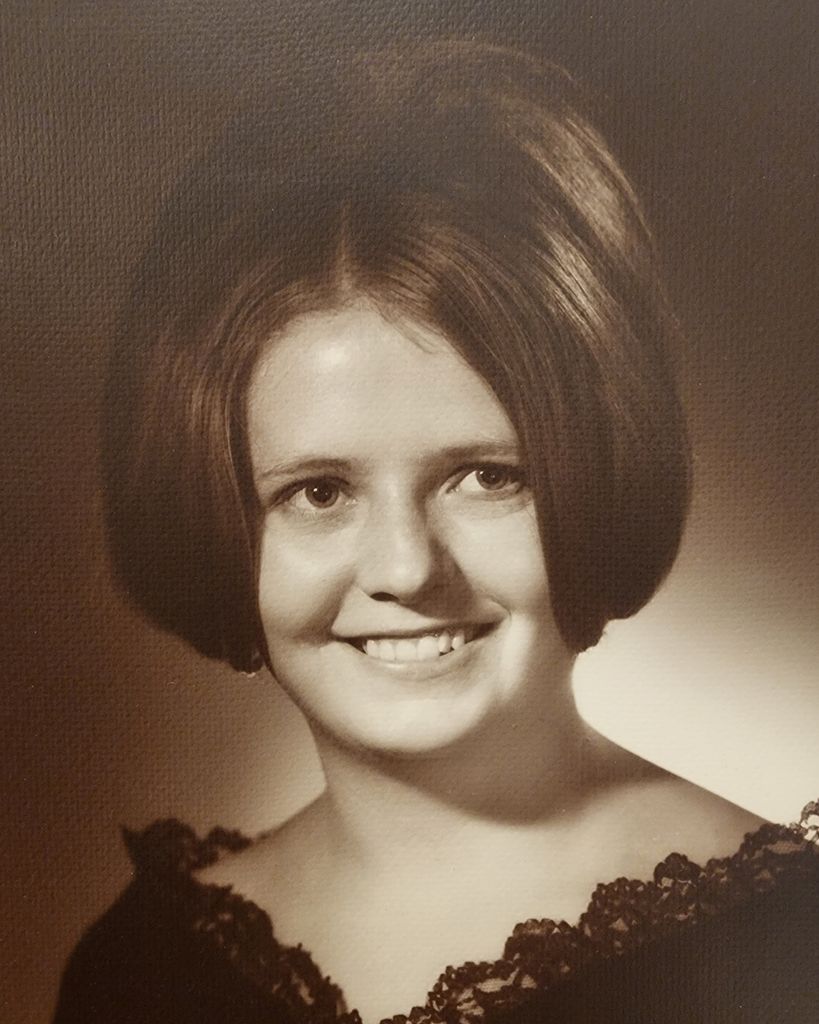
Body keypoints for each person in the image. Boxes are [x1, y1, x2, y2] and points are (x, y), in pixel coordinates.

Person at [53, 41, 818, 1024]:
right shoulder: (138, 971)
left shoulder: (790, 946)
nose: (407, 567)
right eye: (319, 492)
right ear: (211, 518)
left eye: (486, 478)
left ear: (598, 476)